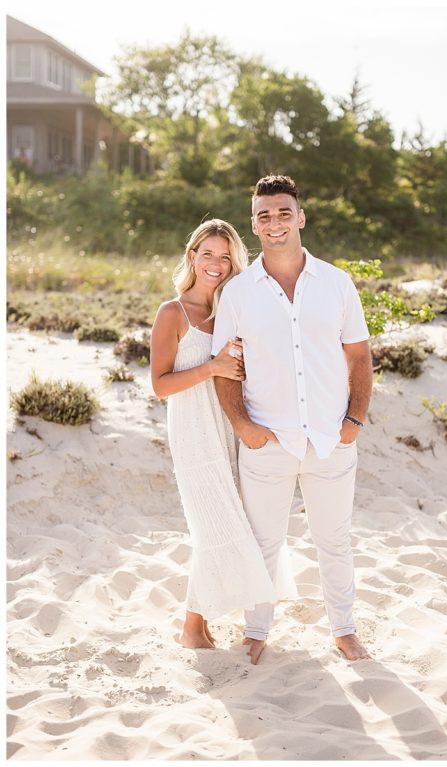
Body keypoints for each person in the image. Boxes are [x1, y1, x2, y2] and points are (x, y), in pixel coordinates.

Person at [212, 175, 374, 664]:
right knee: (264, 542)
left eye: (284, 212)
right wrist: (244, 428)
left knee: (335, 541)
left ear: (300, 217)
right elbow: (225, 367)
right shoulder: (238, 293)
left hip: (332, 438)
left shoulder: (337, 283)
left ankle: (344, 630)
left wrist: (354, 420)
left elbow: (360, 357)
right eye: (264, 215)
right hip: (268, 441)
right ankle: (256, 631)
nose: (275, 222)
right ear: (254, 224)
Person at [150, 219, 277, 651]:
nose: (216, 264)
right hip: (192, 434)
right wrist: (211, 368)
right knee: (212, 526)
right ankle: (191, 628)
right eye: (208, 254)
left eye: (225, 257)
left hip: (228, 429)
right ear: (192, 256)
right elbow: (160, 385)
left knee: (227, 522)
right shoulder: (173, 313)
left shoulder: (229, 311)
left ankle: (198, 626)